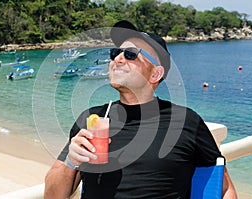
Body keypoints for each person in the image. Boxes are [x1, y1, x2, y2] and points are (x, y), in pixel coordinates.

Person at [44, 20, 237, 199]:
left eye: (130, 54)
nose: (118, 59)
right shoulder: (92, 119)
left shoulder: (185, 122)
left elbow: (224, 188)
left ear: (155, 73)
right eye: (115, 53)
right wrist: (71, 161)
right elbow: (52, 196)